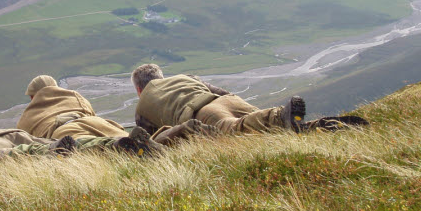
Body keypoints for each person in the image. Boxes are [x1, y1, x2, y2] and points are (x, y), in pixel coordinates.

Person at [131, 64, 306, 135]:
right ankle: (314, 126)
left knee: (235, 130)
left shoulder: (143, 108)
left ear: (139, 89)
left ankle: (279, 116)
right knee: (269, 124)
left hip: (203, 113)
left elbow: (154, 139)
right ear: (161, 77)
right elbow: (221, 92)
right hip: (227, 100)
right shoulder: (185, 77)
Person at [18, 75, 161, 154]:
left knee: (89, 147)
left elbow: (29, 143)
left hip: (63, 131)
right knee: (128, 138)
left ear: (32, 96)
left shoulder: (27, 116)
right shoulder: (74, 95)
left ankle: (120, 148)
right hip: (96, 122)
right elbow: (90, 111)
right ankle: (164, 142)